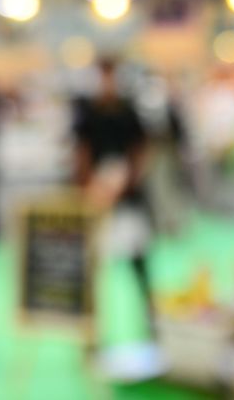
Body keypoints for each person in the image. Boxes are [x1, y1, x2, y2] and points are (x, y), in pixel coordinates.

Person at [72, 58, 154, 335]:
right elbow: (80, 151)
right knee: (93, 268)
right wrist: (90, 186)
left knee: (138, 261)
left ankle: (151, 322)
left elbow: (141, 148)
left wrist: (129, 179)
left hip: (129, 200)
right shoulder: (87, 112)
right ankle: (91, 329)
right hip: (97, 202)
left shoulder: (129, 110)